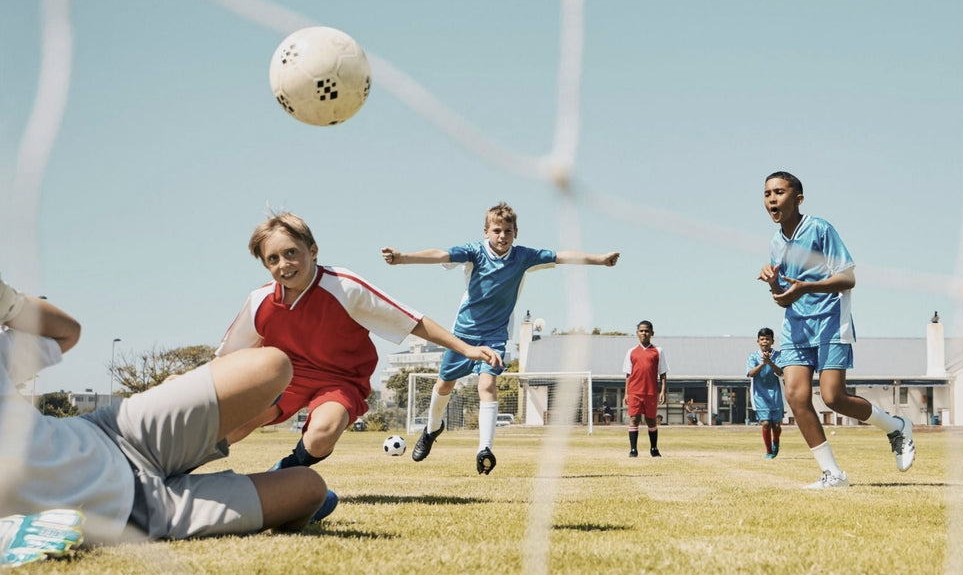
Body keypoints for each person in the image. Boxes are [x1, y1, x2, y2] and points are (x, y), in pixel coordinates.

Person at [0, 274, 329, 568]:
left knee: (270, 367)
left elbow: (66, 333)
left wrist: (9, 302)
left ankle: (196, 437)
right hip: (137, 516)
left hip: (116, 434)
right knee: (310, 489)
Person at [217, 212, 503, 491]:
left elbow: (410, 320)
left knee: (321, 435)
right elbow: (224, 359)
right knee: (232, 424)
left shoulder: (344, 287)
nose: (284, 264)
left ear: (313, 250)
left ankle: (279, 477)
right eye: (273, 259)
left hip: (339, 381)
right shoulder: (260, 301)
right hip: (287, 378)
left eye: (292, 252)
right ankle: (178, 471)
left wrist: (467, 348)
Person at [382, 202, 619, 474]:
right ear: (486, 231)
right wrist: (403, 257)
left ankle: (485, 449)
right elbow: (440, 254)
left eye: (508, 230)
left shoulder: (524, 257)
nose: (502, 236)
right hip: (463, 334)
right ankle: (432, 429)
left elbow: (562, 256)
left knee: (487, 385)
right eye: (496, 230)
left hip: (495, 335)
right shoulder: (474, 251)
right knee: (444, 385)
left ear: (516, 232)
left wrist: (600, 259)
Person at [758, 171, 915, 488]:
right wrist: (775, 284)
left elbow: (848, 278)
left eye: (779, 192)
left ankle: (896, 426)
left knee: (833, 397)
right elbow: (783, 300)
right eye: (767, 194)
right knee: (796, 396)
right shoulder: (776, 243)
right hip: (796, 327)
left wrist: (806, 289)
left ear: (798, 199)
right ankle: (833, 474)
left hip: (831, 319)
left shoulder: (819, 229)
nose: (772, 199)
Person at [622, 320, 667, 457]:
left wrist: (662, 390)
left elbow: (663, 373)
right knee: (634, 419)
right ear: (637, 333)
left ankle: (654, 449)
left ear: (652, 333)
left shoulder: (658, 351)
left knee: (651, 420)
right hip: (635, 392)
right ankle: (633, 450)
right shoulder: (631, 352)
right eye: (641, 330)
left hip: (651, 391)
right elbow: (628, 375)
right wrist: (626, 393)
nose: (644, 333)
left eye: (646, 330)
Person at [747, 327, 784, 458]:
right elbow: (751, 373)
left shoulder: (778, 355)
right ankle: (769, 451)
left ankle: (776, 441)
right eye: (762, 339)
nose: (765, 341)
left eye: (767, 339)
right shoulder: (753, 356)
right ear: (758, 341)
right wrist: (763, 363)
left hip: (776, 394)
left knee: (776, 426)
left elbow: (780, 372)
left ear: (772, 341)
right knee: (766, 423)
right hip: (760, 395)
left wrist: (770, 362)